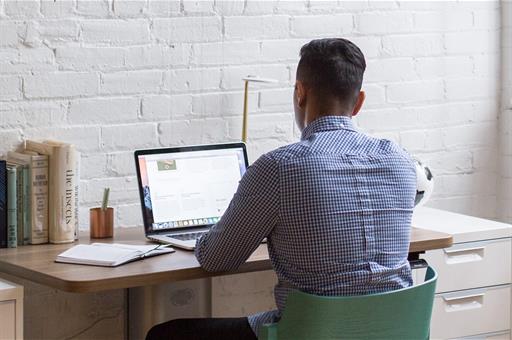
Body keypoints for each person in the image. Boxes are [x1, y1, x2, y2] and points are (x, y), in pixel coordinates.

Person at [146, 38, 416, 340]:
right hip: (394, 330)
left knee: (165, 335)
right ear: (360, 101)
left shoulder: (280, 167)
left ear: (300, 93)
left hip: (310, 332)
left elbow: (216, 259)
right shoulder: (401, 161)